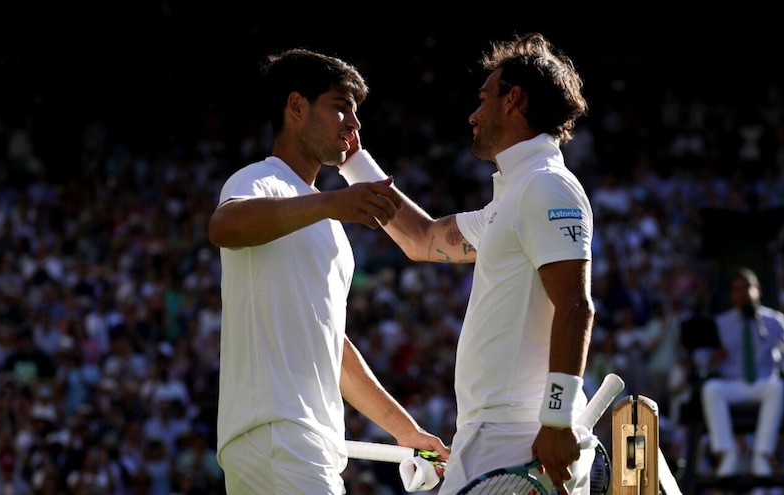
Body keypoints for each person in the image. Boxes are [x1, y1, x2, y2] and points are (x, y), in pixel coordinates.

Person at [338, 32, 595, 495]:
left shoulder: (546, 187)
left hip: (518, 435)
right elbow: (423, 238)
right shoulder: (515, 196)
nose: (472, 115)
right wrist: (353, 161)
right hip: (494, 434)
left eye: (483, 99)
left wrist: (556, 420)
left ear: (514, 100)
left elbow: (576, 307)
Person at [207, 48, 449, 494]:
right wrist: (330, 203)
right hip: (279, 434)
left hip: (300, 440)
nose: (354, 125)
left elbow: (330, 345)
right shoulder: (259, 179)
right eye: (340, 107)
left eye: (355, 113)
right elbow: (224, 226)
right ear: (296, 106)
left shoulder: (330, 226)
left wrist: (405, 430)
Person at [697, 267, 784, 478]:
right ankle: (727, 452)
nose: (742, 294)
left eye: (746, 288)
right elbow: (701, 360)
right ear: (731, 294)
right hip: (732, 385)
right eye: (736, 290)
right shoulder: (721, 323)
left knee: (777, 387)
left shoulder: (774, 320)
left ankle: (762, 454)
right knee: (711, 389)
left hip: (763, 384)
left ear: (757, 289)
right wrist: (714, 358)